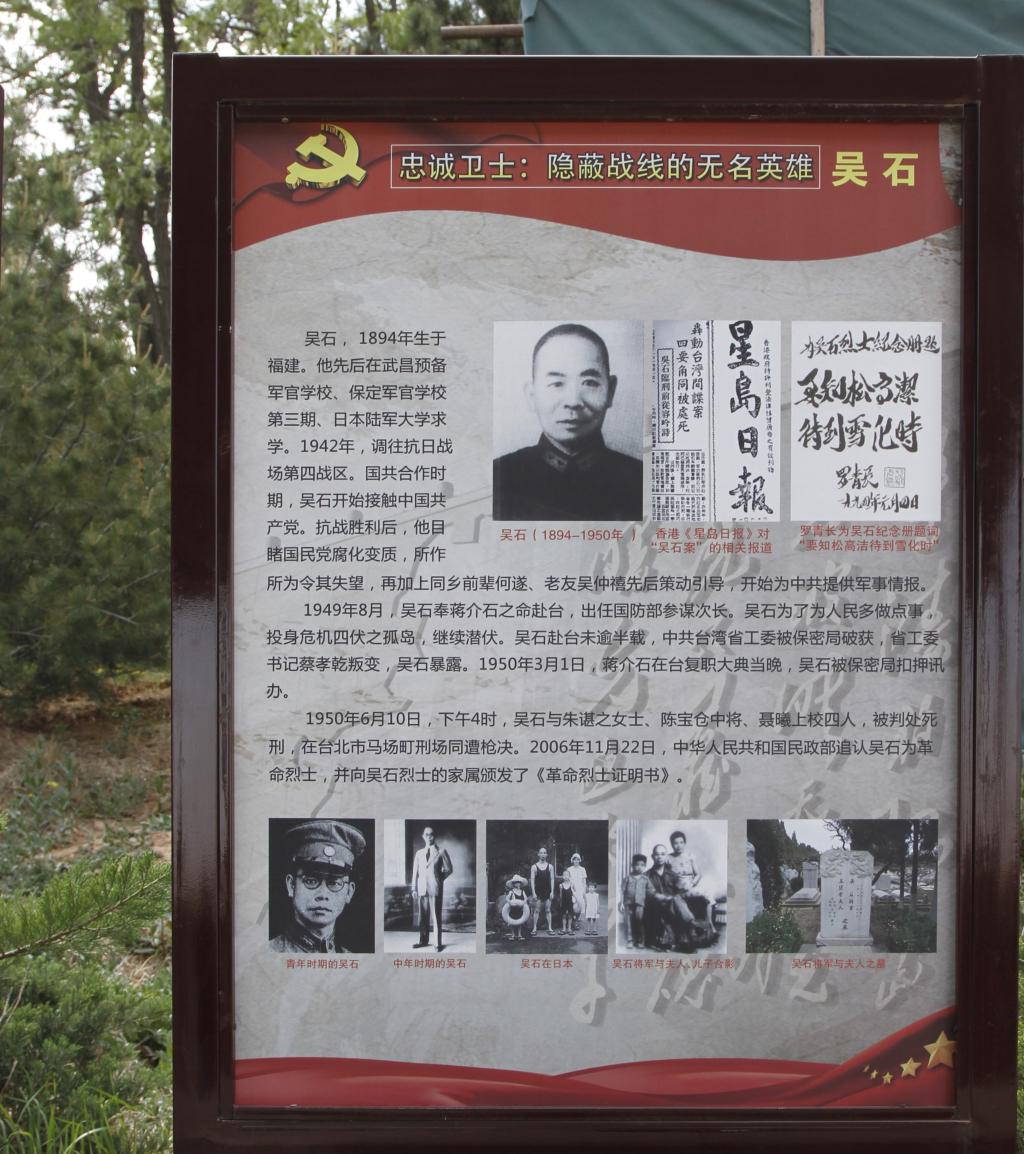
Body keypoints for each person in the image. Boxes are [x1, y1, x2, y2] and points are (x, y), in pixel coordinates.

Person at [493, 323, 643, 521]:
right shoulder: (499, 477)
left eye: (589, 383)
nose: (573, 401)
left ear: (611, 391)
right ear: (532, 396)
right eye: (557, 383)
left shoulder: (641, 479)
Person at [270, 819, 365, 954]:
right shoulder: (268, 953)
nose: (323, 895)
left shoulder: (352, 958)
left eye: (334, 883)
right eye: (310, 881)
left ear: (349, 892)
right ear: (291, 885)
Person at [410, 825, 453, 951]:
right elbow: (415, 872)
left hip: (435, 887)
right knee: (423, 917)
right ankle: (423, 941)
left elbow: (449, 869)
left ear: (434, 836)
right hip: (422, 888)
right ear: (423, 836)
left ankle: (437, 944)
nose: (429, 837)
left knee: (436, 916)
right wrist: (413, 888)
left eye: (431, 834)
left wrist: (439, 879)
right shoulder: (419, 853)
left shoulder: (441, 851)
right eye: (426, 834)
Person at [620, 853, 652, 949]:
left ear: (645, 866)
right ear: (632, 865)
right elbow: (622, 891)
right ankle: (630, 940)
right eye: (637, 864)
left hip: (640, 904)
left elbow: (651, 891)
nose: (639, 867)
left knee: (639, 921)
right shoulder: (627, 878)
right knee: (628, 922)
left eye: (642, 865)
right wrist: (621, 903)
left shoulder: (645, 879)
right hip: (628, 903)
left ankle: (640, 940)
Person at [530, 845, 556, 936]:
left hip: (547, 891)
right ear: (538, 854)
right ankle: (534, 928)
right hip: (538, 891)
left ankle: (550, 928)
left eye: (544, 853)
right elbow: (532, 880)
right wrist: (533, 893)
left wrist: (552, 891)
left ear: (546, 855)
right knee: (537, 910)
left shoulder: (550, 866)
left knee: (548, 910)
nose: (543, 854)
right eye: (541, 853)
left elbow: (552, 879)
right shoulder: (534, 867)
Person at [564, 852, 588, 933]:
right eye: (575, 859)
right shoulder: (569, 869)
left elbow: (584, 881)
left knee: (579, 907)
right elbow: (567, 880)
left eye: (577, 859)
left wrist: (584, 891)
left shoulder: (582, 869)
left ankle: (576, 920)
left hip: (580, 890)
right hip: (571, 889)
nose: (576, 861)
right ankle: (572, 920)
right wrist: (570, 889)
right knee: (572, 906)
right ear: (572, 860)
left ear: (579, 860)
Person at [502, 874, 531, 941]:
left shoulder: (522, 891)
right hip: (513, 909)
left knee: (520, 922)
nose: (518, 884)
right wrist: (511, 903)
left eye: (519, 883)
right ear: (514, 884)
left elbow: (525, 898)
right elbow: (507, 898)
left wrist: (523, 903)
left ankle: (519, 935)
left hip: (520, 909)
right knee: (512, 922)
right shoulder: (511, 891)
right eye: (516, 883)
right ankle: (513, 935)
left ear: (521, 884)